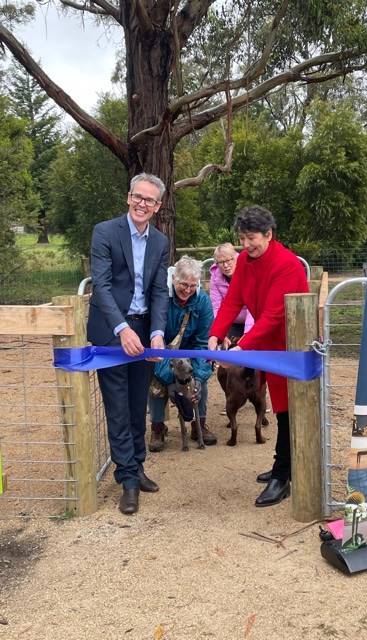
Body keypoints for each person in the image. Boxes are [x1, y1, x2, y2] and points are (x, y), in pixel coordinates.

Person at [208, 205, 309, 507]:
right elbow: (233, 299)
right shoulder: (243, 261)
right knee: (280, 409)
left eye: (251, 237)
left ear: (268, 234)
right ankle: (283, 467)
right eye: (241, 238)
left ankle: (283, 476)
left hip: (290, 347)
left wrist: (241, 348)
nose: (245, 244)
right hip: (267, 345)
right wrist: (216, 333)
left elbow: (274, 315)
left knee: (290, 409)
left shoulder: (287, 265)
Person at [87, 173, 169, 515]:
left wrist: (157, 332)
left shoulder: (161, 242)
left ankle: (136, 465)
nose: (142, 204)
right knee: (118, 408)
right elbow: (102, 287)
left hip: (143, 332)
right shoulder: (105, 232)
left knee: (139, 405)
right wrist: (122, 329)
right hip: (111, 333)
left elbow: (160, 291)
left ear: (158, 206)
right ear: (128, 197)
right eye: (138, 196)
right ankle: (128, 481)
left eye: (149, 200)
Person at [148, 256, 216, 450]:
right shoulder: (160, 296)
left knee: (196, 383)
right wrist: (171, 379)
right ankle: (158, 427)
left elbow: (203, 341)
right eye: (183, 284)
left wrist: (198, 377)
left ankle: (199, 424)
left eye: (193, 286)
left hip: (190, 350)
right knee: (157, 383)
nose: (187, 290)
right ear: (173, 280)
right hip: (162, 347)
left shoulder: (202, 301)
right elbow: (153, 340)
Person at [210, 243, 254, 340]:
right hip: (231, 321)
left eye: (228, 260)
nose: (225, 265)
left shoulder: (248, 271)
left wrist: (247, 333)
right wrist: (220, 332)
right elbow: (217, 307)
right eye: (221, 262)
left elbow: (252, 307)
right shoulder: (215, 277)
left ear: (235, 258)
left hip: (253, 319)